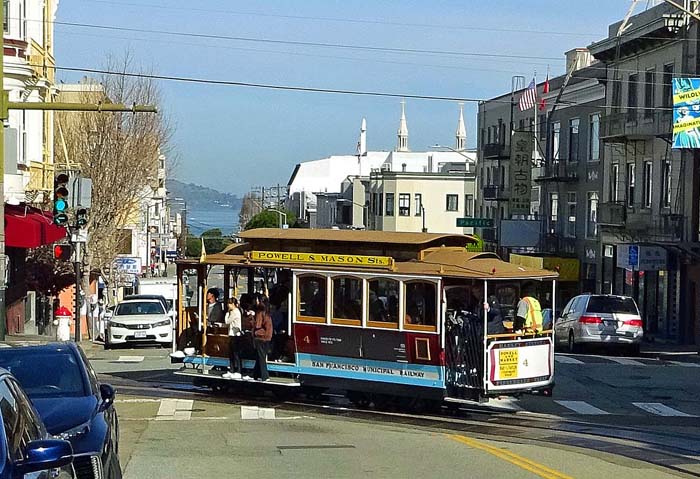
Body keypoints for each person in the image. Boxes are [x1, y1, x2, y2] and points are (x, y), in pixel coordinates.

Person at [252, 301, 273, 382]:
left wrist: (251, 318)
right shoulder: (267, 313)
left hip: (260, 337)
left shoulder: (260, 313)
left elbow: (257, 325)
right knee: (259, 356)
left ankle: (265, 376)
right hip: (267, 337)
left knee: (261, 357)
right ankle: (255, 375)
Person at [223, 298, 243, 379]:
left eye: (230, 304)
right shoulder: (235, 311)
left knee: (235, 353)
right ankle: (232, 370)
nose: (228, 305)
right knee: (231, 353)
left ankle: (238, 371)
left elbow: (227, 321)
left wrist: (227, 313)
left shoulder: (235, 312)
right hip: (232, 334)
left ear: (234, 304)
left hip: (235, 335)